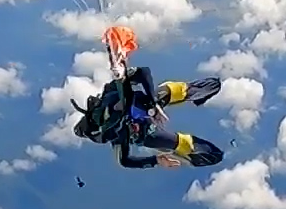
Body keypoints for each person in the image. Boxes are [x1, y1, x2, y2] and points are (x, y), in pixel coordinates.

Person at [73, 65, 226, 169]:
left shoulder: (113, 94)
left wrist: (153, 104)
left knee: (178, 92)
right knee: (179, 92)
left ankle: (197, 92)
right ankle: (197, 93)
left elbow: (143, 72)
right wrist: (155, 160)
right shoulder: (115, 130)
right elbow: (124, 161)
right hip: (146, 127)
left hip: (146, 116)